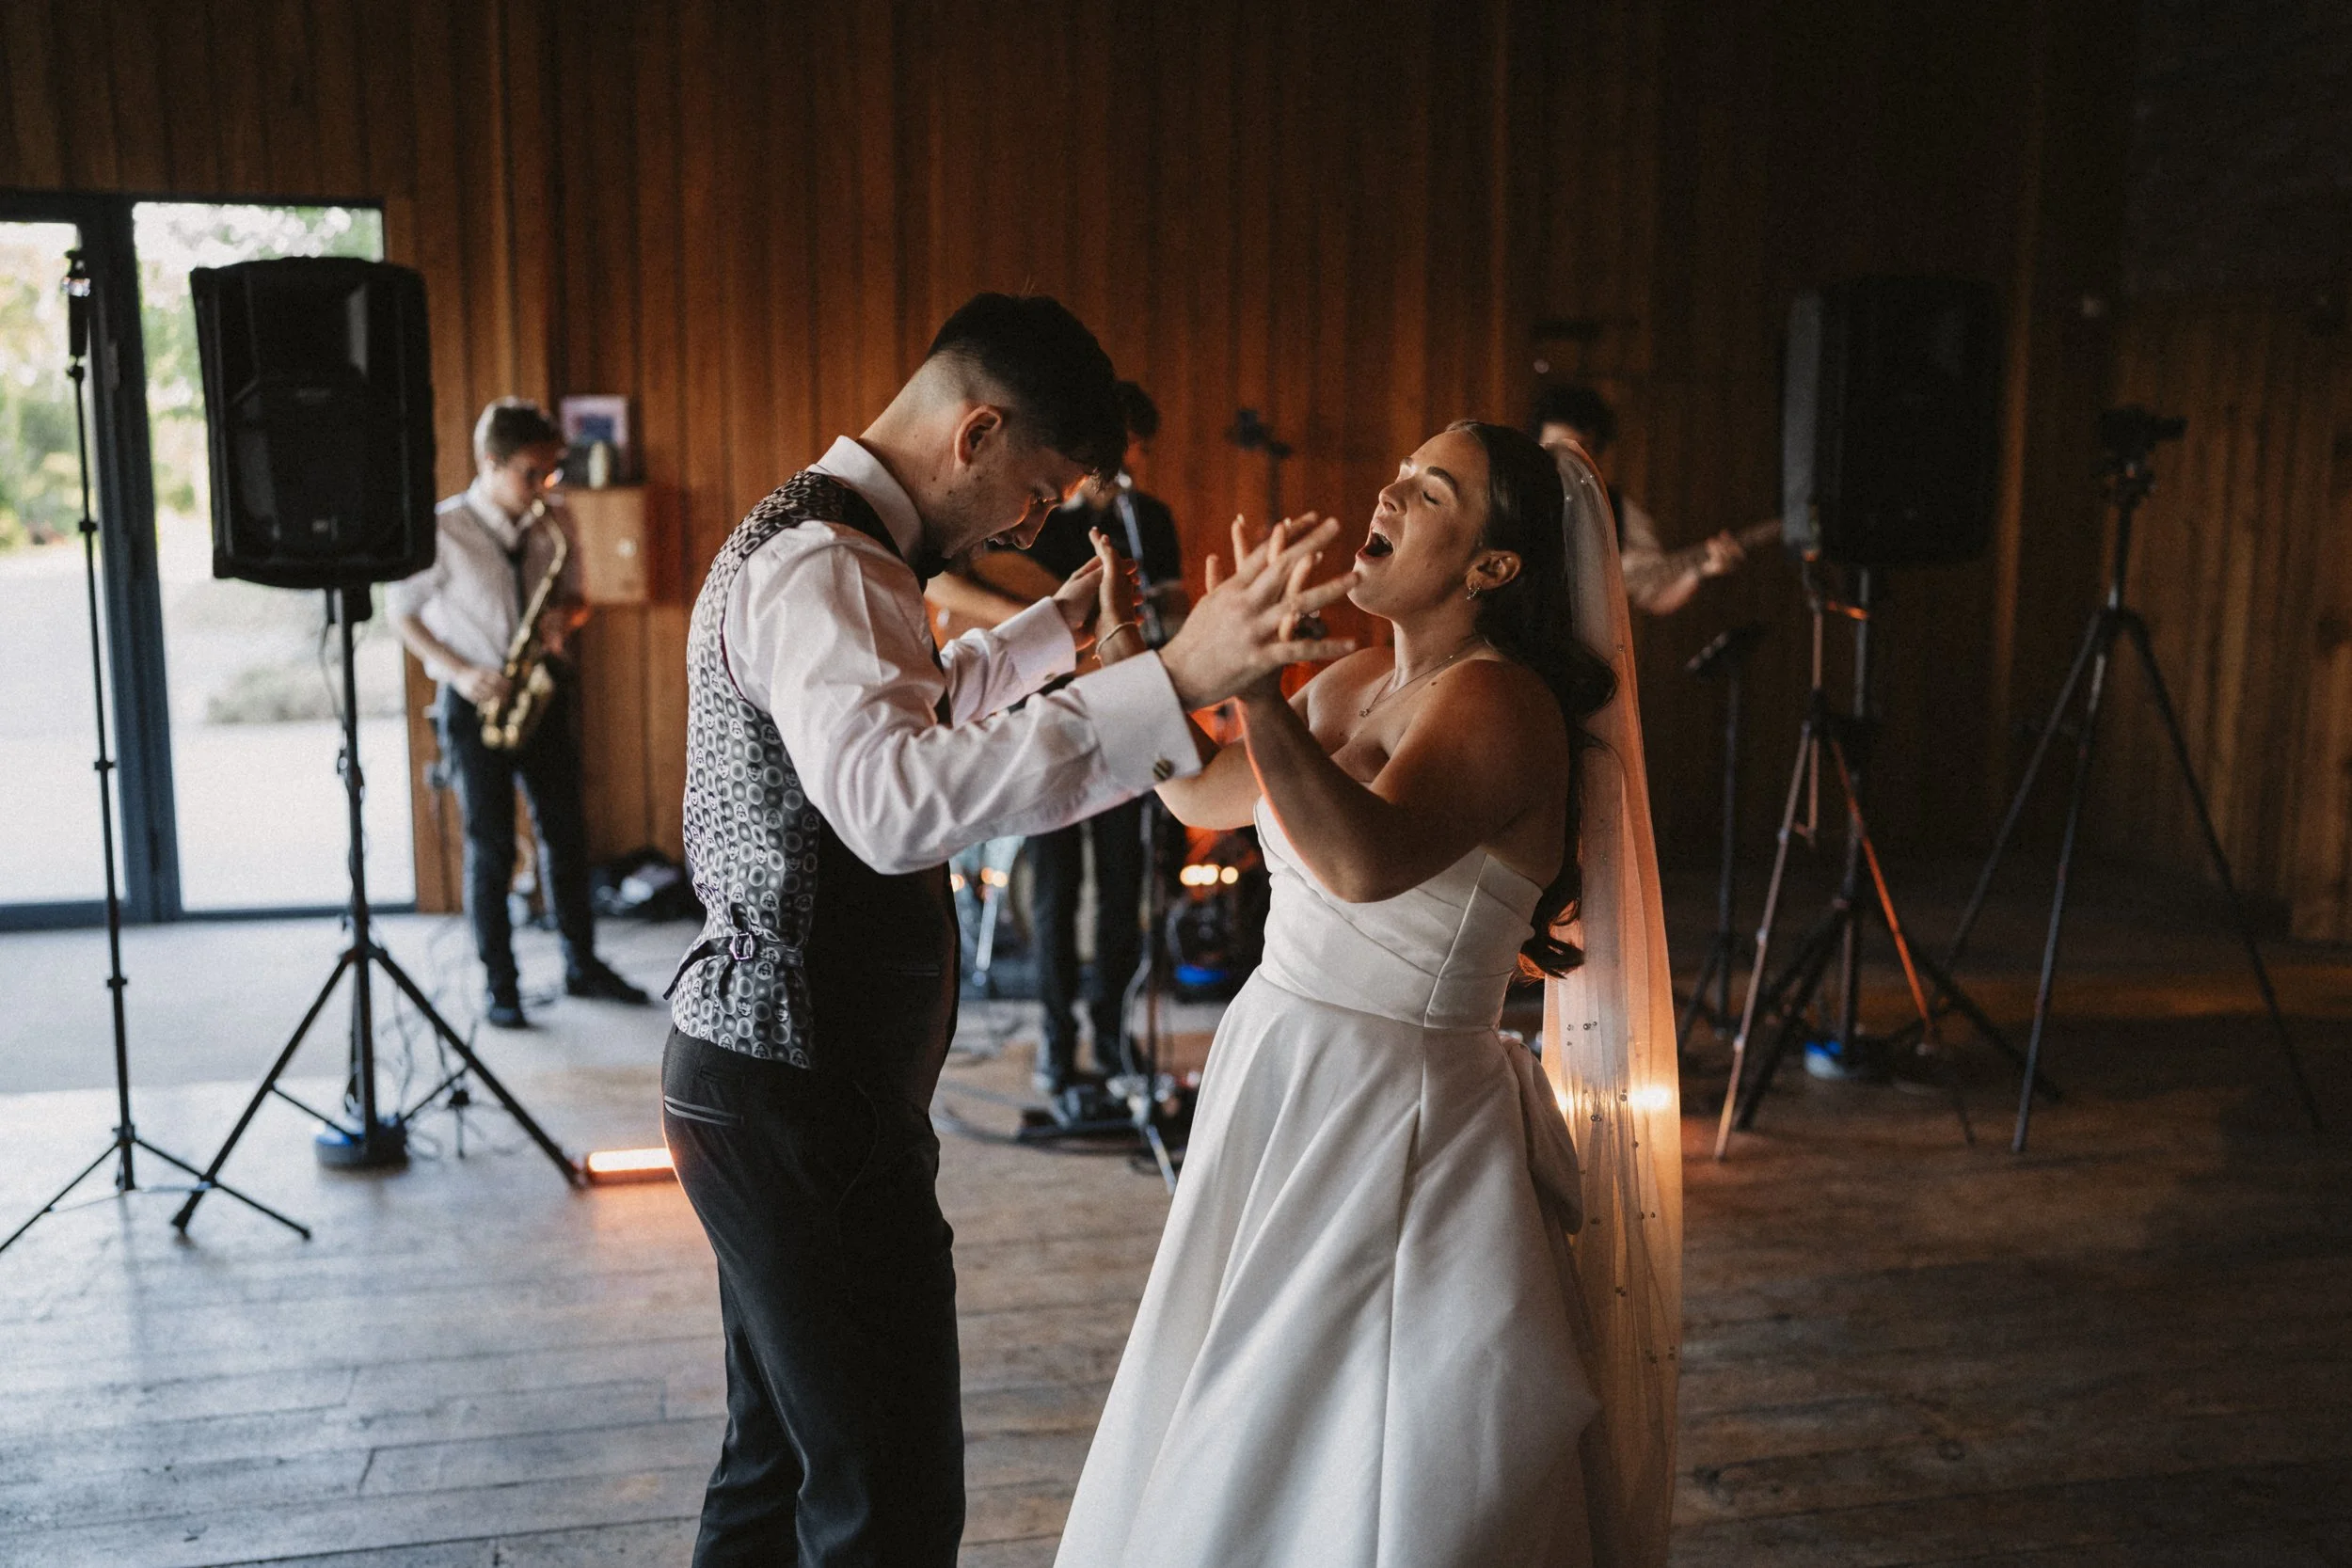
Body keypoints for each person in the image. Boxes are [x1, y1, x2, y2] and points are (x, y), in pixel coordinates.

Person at [658, 293, 1354, 1567]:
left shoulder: (826, 541)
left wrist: (1056, 632)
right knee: (886, 1499)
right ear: (975, 430)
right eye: (1037, 489)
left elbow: (899, 717)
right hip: (802, 1097)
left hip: (768, 1079)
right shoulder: (829, 562)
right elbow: (890, 804)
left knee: (776, 1468)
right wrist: (1178, 679)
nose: (1035, 524)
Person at [1058, 421, 1659, 1565]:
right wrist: (1132, 645)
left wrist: (1259, 693)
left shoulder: (1503, 705)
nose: (1387, 490)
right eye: (1400, 469)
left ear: (1491, 568)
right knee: (1242, 1375)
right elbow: (1207, 798)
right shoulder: (1353, 680)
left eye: (1428, 491)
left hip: (1398, 1103)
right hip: (1282, 1061)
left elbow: (1364, 862)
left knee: (1354, 1420)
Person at [388, 398, 649, 1029]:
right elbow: (401, 613)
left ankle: (581, 963)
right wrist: (459, 671)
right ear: (490, 463)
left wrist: (567, 617)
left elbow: (578, 597)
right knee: (492, 845)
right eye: (532, 473)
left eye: (550, 472)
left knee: (566, 833)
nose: (544, 486)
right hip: (475, 700)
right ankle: (500, 983)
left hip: (540, 696)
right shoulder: (443, 530)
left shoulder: (552, 520)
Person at [1022, 382, 1186, 1097]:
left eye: (1137, 449)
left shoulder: (1149, 519)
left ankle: (1113, 1034)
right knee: (1058, 891)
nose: (1128, 461)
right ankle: (1057, 1046)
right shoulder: (1046, 520)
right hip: (1054, 717)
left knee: (1124, 886)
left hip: (1128, 711)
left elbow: (1172, 612)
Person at [1531, 383, 1746, 615]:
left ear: (1595, 451)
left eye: (1578, 451)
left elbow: (1654, 595)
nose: (1565, 462)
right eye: (1554, 450)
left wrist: (1700, 571)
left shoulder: (1617, 512)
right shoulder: (1511, 502)